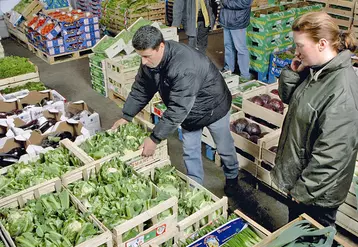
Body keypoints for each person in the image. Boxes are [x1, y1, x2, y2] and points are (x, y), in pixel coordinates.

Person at [112, 25, 239, 196]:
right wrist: (126, 116)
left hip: (213, 106)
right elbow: (142, 88)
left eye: (147, 56)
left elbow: (178, 109)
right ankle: (195, 190)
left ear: (161, 47)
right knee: (190, 150)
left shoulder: (184, 66)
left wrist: (154, 138)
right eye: (140, 56)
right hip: (189, 112)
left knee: (224, 147)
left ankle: (232, 176)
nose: (143, 61)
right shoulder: (151, 62)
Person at [271, 11, 358, 227]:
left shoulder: (341, 92)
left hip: (317, 196)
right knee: (295, 235)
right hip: (302, 182)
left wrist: (302, 192)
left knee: (310, 238)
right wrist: (294, 73)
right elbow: (292, 100)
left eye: (300, 46)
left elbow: (332, 156)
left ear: (322, 43)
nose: (297, 52)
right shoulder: (317, 72)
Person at [217, 0, 252, 79]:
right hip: (226, 20)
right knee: (228, 46)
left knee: (241, 49)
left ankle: (245, 75)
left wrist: (224, 2)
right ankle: (228, 69)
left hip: (238, 22)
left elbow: (245, 2)